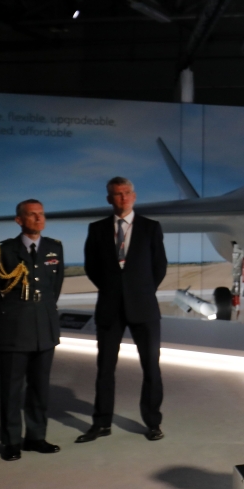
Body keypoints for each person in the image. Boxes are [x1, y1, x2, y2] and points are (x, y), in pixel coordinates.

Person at [77, 177, 168, 443]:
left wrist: (138, 292)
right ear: (109, 199)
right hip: (109, 307)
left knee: (151, 368)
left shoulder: (151, 228)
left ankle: (153, 423)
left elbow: (159, 267)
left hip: (144, 308)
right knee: (105, 369)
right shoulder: (96, 229)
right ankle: (101, 423)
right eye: (117, 194)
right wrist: (113, 291)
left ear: (134, 196)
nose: (123, 198)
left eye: (127, 193)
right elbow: (91, 267)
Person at [0, 199, 65, 461]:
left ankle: (36, 437)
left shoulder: (54, 248)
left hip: (44, 328)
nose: (39, 219)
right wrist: (4, 321)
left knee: (40, 387)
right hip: (13, 330)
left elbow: (55, 287)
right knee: (11, 389)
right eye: (32, 215)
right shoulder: (3, 250)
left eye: (41, 214)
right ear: (19, 220)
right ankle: (11, 441)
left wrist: (45, 314)